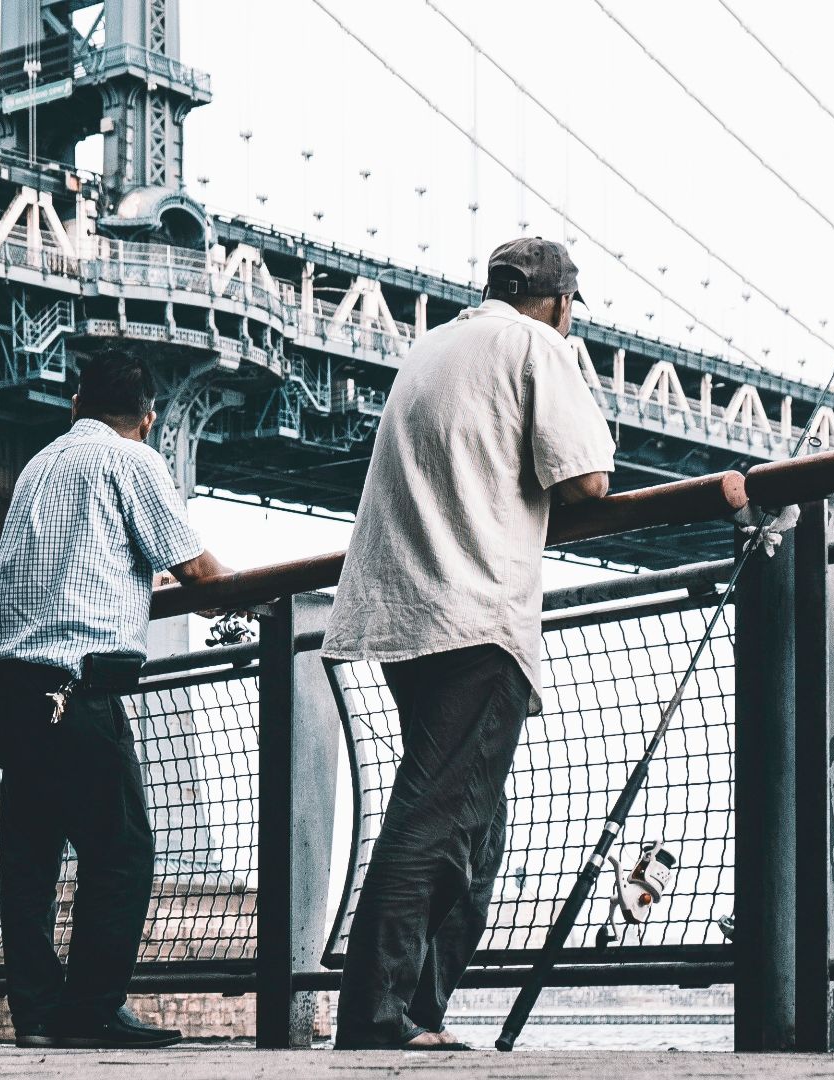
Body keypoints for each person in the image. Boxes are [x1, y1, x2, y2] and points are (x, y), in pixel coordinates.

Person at [323, 238, 617, 1050]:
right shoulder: (536, 346)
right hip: (474, 614)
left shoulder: (431, 346)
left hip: (401, 612)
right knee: (436, 820)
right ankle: (380, 1020)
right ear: (559, 301)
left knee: (473, 826)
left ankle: (419, 1014)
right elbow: (587, 479)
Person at [0, 350, 234, 1050]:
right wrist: (255, 596)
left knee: (30, 857)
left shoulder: (38, 466)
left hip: (10, 691)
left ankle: (35, 1014)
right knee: (120, 849)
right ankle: (91, 1011)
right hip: (78, 688)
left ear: (75, 406)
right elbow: (198, 572)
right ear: (148, 420)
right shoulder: (133, 462)